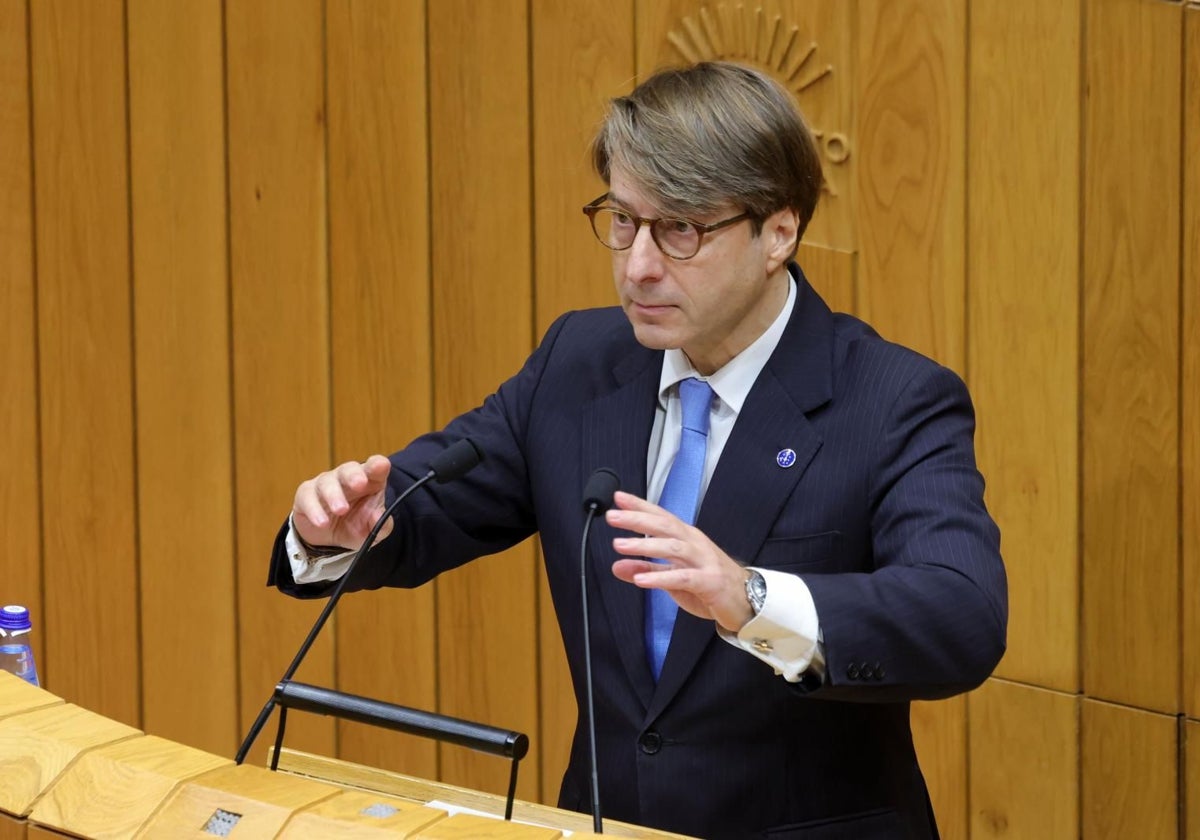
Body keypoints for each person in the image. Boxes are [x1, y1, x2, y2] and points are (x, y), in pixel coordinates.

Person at [268, 61, 1006, 839]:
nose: (639, 265)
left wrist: (749, 598)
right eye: (624, 221)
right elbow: (427, 503)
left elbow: (960, 617)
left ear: (778, 232)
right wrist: (342, 532)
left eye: (680, 229)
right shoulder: (579, 364)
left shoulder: (891, 400)